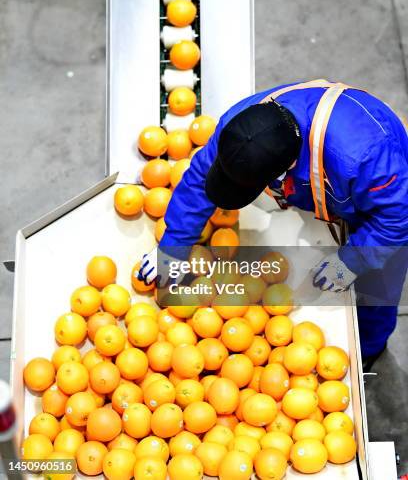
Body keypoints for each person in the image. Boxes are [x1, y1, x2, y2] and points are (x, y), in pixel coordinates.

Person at [139, 80, 408, 369]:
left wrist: (353, 261)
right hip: (322, 179)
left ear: (283, 171)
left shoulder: (366, 158)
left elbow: (397, 219)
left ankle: (368, 351)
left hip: (380, 200)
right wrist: (173, 246)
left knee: (377, 289)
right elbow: (199, 181)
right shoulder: (241, 128)